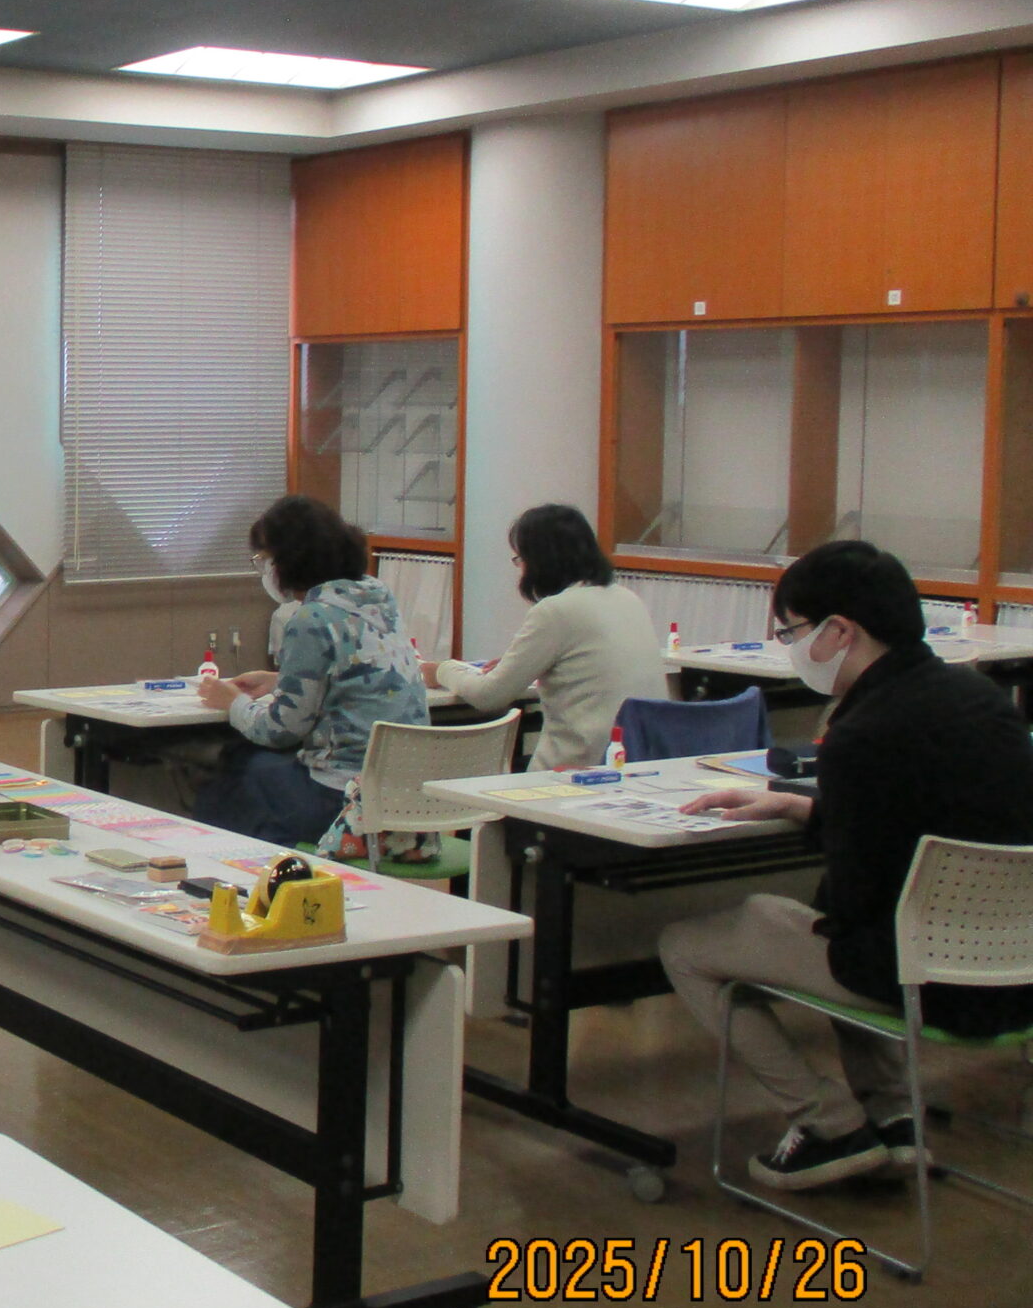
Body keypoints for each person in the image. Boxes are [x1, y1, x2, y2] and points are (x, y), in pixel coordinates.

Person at [662, 541, 1033, 1190]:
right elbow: (933, 815)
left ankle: (827, 1122)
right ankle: (895, 1118)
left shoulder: (861, 735)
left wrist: (822, 836)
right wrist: (803, 807)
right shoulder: (982, 700)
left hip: (931, 987)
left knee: (693, 943)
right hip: (1014, 979)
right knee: (832, 921)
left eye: (791, 632)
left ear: (839, 632)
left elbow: (853, 904)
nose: (789, 648)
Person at [197, 495, 427, 846]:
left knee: (238, 769)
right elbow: (360, 668)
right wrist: (280, 680)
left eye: (264, 559)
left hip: (345, 798)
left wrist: (232, 703)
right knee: (260, 778)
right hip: (403, 798)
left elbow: (280, 731)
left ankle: (239, 865)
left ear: (288, 560)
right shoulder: (377, 595)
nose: (265, 569)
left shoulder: (310, 618)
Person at [435, 503, 667, 770]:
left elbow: (489, 696)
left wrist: (442, 670)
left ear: (538, 561)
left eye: (520, 559)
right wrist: (522, 665)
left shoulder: (556, 611)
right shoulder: (627, 598)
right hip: (641, 762)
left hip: (576, 771)